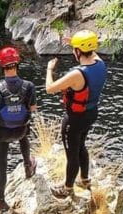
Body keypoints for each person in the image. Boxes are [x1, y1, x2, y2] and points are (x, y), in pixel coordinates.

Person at [44, 30, 108, 198]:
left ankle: (67, 188)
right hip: (91, 113)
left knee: (71, 153)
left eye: (75, 49)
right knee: (81, 145)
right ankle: (85, 179)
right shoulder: (100, 63)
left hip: (74, 118)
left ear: (78, 51)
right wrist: (75, 41)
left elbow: (50, 88)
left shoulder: (77, 74)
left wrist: (49, 69)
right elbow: (91, 51)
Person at [0, 46, 38, 212]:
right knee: (24, 137)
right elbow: (33, 108)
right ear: (17, 64)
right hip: (21, 130)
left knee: (1, 165)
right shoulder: (29, 86)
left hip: (2, 134)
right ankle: (28, 166)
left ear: (1, 66)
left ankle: (1, 201)